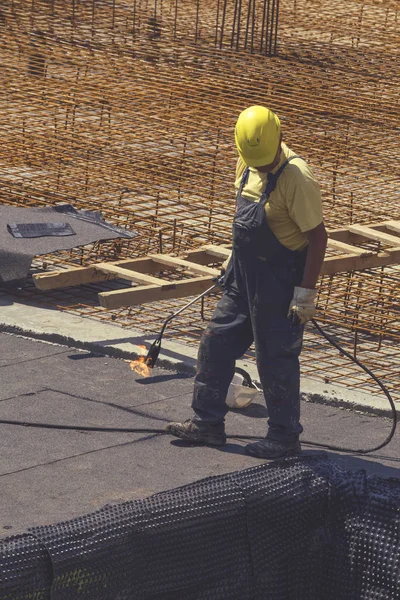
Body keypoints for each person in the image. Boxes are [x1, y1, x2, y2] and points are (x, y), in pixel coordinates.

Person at [166, 105, 327, 459]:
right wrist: (231, 261)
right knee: (216, 342)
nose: (262, 167)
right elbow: (245, 226)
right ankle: (207, 425)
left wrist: (305, 294)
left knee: (275, 360)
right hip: (244, 277)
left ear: (280, 139)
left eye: (266, 162)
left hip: (281, 284)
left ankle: (284, 438)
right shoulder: (247, 162)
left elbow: (317, 238)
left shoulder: (297, 177)